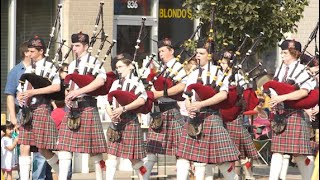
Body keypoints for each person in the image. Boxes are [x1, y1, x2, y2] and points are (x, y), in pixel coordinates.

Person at [176, 40, 240, 180]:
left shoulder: (218, 72)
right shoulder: (194, 73)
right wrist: (189, 106)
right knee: (183, 157)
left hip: (211, 118)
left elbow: (223, 94)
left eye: (201, 53)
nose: (197, 56)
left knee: (221, 161)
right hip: (194, 118)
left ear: (210, 55)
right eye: (197, 53)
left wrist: (201, 104)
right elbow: (187, 95)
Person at [56, 32, 107, 180]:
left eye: (77, 45)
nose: (74, 48)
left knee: (95, 151)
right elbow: (72, 84)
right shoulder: (72, 65)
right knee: (64, 148)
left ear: (86, 46)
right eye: (73, 45)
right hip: (73, 109)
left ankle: (101, 177)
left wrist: (79, 91)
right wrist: (69, 96)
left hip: (88, 106)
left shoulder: (94, 62)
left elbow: (100, 81)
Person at [267, 39, 315, 180]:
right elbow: (273, 86)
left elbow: (304, 92)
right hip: (280, 114)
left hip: (294, 114)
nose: (282, 55)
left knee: (299, 155)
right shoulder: (280, 69)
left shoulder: (302, 70)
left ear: (295, 53)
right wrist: (274, 96)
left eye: (285, 53)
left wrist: (283, 98)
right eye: (281, 52)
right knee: (277, 152)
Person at [16, 36, 61, 180]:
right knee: (24, 145)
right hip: (27, 110)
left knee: (42, 148)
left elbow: (56, 87)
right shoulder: (28, 68)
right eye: (28, 51)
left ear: (40, 51)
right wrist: (20, 96)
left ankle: (62, 172)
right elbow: (20, 88)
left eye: (31, 51)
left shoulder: (50, 67)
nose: (28, 54)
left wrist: (32, 92)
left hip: (42, 108)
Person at [143, 38, 187, 179]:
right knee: (151, 148)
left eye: (163, 50)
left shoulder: (177, 67)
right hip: (158, 111)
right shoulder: (161, 68)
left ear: (171, 51)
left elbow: (182, 86)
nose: (160, 53)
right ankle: (144, 177)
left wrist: (161, 93)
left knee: (180, 149)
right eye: (159, 51)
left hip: (171, 109)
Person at [218, 52, 259, 179]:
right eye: (222, 62)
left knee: (237, 151)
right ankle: (243, 175)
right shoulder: (219, 76)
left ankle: (246, 175)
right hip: (222, 116)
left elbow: (246, 96)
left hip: (235, 116)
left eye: (225, 62)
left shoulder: (238, 78)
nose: (222, 64)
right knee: (233, 151)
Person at [105, 57, 147, 179]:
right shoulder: (115, 83)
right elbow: (108, 101)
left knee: (134, 159)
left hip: (130, 121)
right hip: (116, 122)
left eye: (121, 66)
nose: (118, 70)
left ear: (130, 66)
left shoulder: (136, 82)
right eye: (117, 67)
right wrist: (112, 115)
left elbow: (141, 100)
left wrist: (123, 109)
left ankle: (144, 177)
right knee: (111, 156)